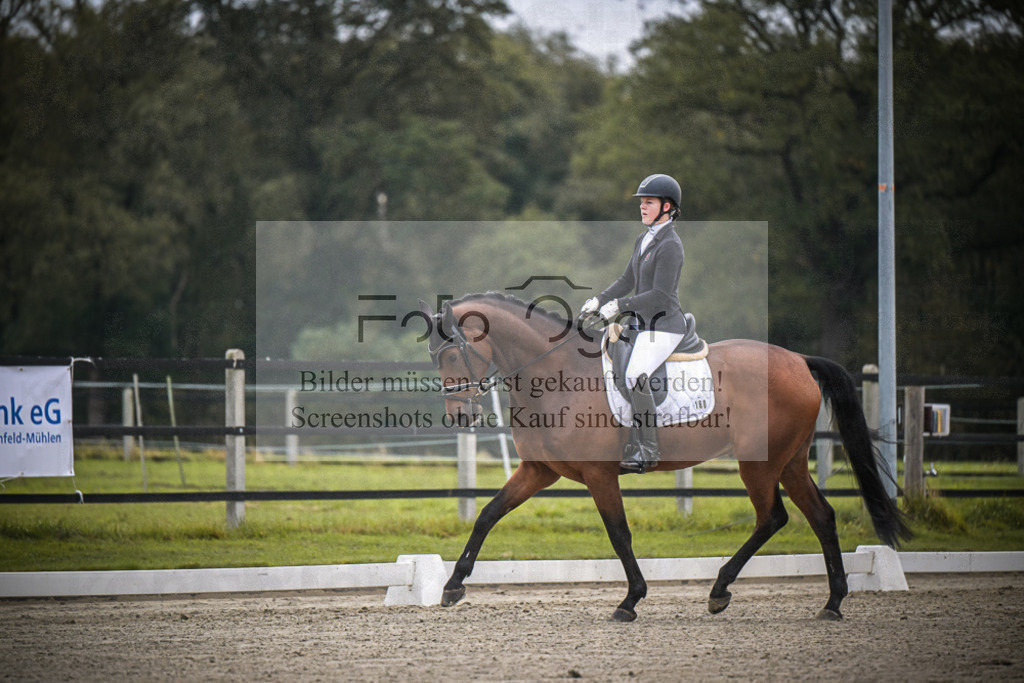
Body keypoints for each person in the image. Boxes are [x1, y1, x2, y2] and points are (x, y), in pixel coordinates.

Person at [580, 173, 687, 473]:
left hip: (665, 326)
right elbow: (627, 280)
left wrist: (620, 306)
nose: (642, 207)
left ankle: (648, 448)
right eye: (641, 202)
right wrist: (599, 300)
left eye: (649, 202)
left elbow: (660, 295)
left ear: (667, 207)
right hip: (643, 325)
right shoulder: (645, 239)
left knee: (635, 374)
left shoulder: (671, 245)